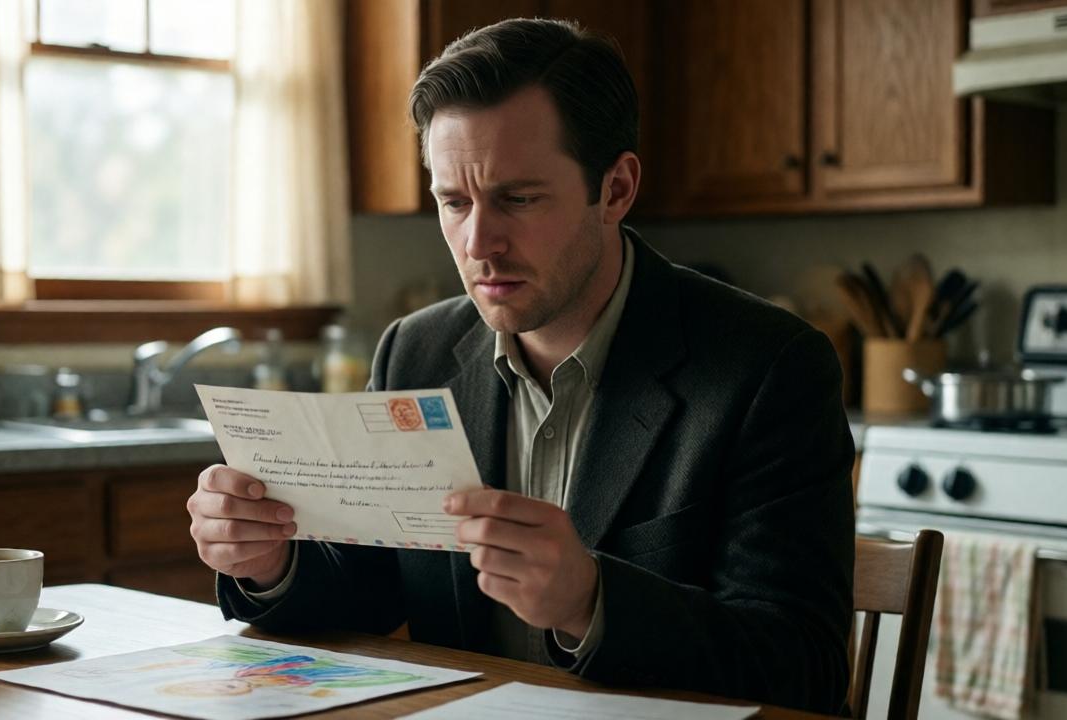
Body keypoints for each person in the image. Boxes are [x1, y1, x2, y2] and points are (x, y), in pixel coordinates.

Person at [186, 18, 855, 714]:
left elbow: (802, 670)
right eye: (454, 201)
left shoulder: (771, 369)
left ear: (617, 189)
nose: (479, 242)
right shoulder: (414, 352)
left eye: (518, 198)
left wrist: (590, 601)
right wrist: (270, 564)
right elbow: (368, 592)